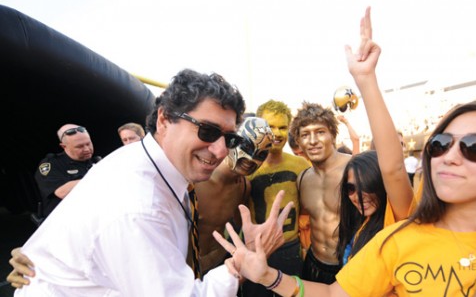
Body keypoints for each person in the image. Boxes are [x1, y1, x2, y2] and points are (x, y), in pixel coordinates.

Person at [213, 8, 476, 296]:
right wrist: (268, 276)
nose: (449, 156)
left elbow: (389, 170)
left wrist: (366, 83)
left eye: (475, 147)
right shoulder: (401, 239)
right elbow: (332, 292)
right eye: (440, 144)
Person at [8, 69, 292, 296]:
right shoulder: (140, 206)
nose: (219, 150)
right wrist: (239, 266)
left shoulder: (150, 166)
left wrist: (44, 254)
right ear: (164, 119)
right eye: (206, 131)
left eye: (229, 139)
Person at [242, 99, 311, 297]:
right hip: (256, 249)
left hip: (289, 248)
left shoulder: (301, 165)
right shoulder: (246, 167)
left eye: (282, 127)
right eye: (270, 126)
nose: (277, 133)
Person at [194, 116, 273, 275]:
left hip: (221, 264)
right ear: (230, 141)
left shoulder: (244, 187)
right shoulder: (196, 181)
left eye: (261, 155)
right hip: (188, 268)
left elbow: (242, 226)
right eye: (246, 146)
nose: (251, 159)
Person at [290, 101, 351, 284]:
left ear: (333, 135)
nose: (313, 140)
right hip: (313, 264)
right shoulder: (302, 179)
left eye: (320, 132)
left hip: (349, 266)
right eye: (305, 135)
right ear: (298, 141)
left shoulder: (353, 168)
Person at [35, 124, 98, 218]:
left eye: (88, 143)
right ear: (64, 146)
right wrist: (98, 177)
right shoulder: (52, 164)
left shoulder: (96, 161)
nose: (86, 149)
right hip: (64, 219)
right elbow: (61, 192)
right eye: (79, 146)